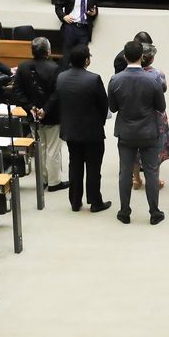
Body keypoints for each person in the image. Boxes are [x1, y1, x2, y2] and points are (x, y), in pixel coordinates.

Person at [107, 39, 166, 225]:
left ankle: (124, 211)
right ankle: (154, 212)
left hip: (126, 132)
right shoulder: (153, 79)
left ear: (125, 57)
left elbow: (113, 108)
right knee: (151, 172)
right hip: (149, 132)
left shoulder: (115, 80)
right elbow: (160, 106)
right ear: (142, 57)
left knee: (125, 173)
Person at [51, 45, 111, 213]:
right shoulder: (94, 79)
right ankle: (95, 201)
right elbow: (103, 104)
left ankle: (75, 201)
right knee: (93, 167)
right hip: (92, 131)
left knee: (75, 166)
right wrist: (99, 122)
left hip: (71, 130)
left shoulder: (61, 77)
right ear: (87, 60)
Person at [14, 37, 67, 192]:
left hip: (33, 115)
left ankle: (43, 179)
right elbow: (57, 93)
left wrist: (30, 108)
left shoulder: (22, 67)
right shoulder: (55, 68)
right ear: (48, 51)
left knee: (40, 148)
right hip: (51, 115)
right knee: (53, 149)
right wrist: (45, 109)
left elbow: (18, 91)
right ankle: (54, 182)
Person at [138, 44, 169, 190]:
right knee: (155, 148)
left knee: (135, 147)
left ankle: (136, 178)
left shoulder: (129, 74)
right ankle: (153, 180)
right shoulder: (158, 74)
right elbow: (163, 89)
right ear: (151, 58)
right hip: (155, 116)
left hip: (137, 114)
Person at [53, 0, 100, 65]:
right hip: (70, 27)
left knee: (82, 55)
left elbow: (95, 9)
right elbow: (58, 6)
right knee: (67, 55)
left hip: (84, 29)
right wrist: (64, 16)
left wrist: (94, 13)